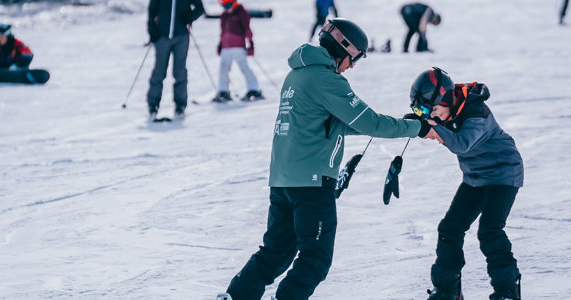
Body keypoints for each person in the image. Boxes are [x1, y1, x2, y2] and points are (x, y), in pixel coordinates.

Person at [216, 18, 435, 300]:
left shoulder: (297, 75)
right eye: (354, 58)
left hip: (283, 180)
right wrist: (418, 127)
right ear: (342, 49)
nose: (352, 66)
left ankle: (236, 296)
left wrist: (401, 124)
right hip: (312, 184)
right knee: (315, 259)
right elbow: (370, 123)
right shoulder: (327, 80)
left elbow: (333, 124)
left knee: (275, 252)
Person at [407, 68, 523, 300]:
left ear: (447, 99)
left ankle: (507, 291)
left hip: (503, 174)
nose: (433, 116)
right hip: (475, 178)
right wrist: (419, 123)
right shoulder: (447, 113)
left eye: (434, 111)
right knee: (450, 229)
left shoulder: (476, 112)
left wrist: (432, 127)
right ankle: (448, 290)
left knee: (490, 231)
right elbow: (435, 125)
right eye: (424, 111)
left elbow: (462, 144)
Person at [146, 0, 204, 120]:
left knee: (179, 71)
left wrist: (188, 18)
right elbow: (152, 10)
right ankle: (153, 105)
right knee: (159, 71)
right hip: (162, 36)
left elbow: (200, 8)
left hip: (181, 36)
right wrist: (152, 30)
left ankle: (180, 105)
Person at [212, 0, 264, 103]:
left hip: (238, 47)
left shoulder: (241, 12)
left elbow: (247, 30)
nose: (225, 8)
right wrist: (220, 45)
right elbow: (222, 32)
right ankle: (223, 91)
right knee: (223, 69)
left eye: (226, 5)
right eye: (223, 6)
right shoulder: (224, 15)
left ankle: (254, 89)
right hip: (226, 48)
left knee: (244, 67)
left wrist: (251, 45)